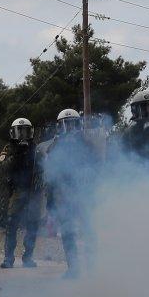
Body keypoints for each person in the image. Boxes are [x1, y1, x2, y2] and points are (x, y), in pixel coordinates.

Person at [38, 109, 95, 278]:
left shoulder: (86, 142)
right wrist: (51, 199)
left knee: (89, 230)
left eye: (72, 124)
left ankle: (93, 267)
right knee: (68, 232)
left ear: (77, 124)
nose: (69, 128)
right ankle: (73, 269)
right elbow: (51, 172)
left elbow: (96, 166)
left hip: (82, 195)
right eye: (65, 124)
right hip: (64, 196)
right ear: (60, 126)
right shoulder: (55, 145)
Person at [0, 118, 41, 269]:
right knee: (11, 224)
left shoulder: (36, 148)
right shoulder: (9, 148)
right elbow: (3, 167)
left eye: (25, 131)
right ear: (13, 132)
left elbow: (44, 167)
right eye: (19, 131)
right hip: (17, 191)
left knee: (33, 225)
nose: (22, 135)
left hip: (33, 191)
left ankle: (28, 257)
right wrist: (17, 154)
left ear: (31, 132)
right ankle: (8, 259)